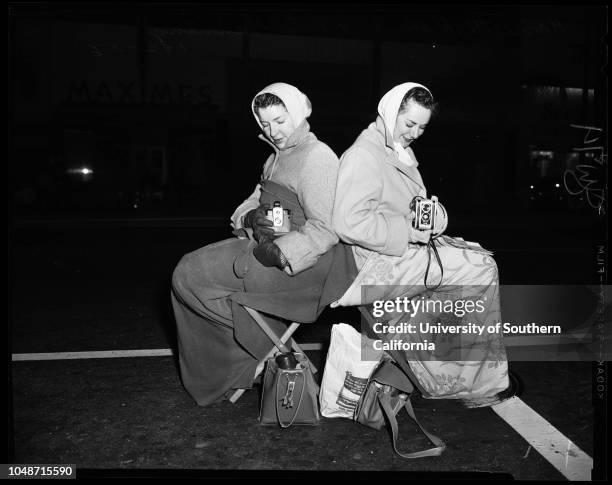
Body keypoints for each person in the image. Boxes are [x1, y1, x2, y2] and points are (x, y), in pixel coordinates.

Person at [171, 82, 355, 406]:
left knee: (192, 277)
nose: (274, 130)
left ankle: (253, 354)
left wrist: (281, 253)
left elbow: (327, 229)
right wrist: (250, 218)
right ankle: (254, 352)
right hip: (266, 246)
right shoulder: (276, 157)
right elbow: (262, 203)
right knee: (187, 271)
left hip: (302, 267)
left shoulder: (318, 157)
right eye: (265, 124)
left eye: (280, 121)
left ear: (298, 115)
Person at [331, 82, 510, 406]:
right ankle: (473, 384)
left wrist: (435, 217)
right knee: (481, 268)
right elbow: (348, 223)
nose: (414, 132)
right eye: (409, 124)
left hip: (393, 257)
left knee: (472, 268)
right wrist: (410, 232)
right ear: (388, 113)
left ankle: (448, 376)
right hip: (371, 266)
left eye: (422, 127)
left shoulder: (400, 153)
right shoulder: (364, 154)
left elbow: (416, 210)